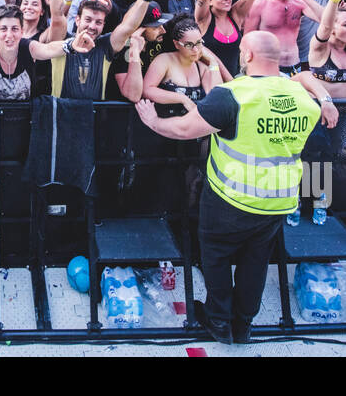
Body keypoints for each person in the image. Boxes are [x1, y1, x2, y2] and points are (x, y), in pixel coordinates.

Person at [133, 30, 326, 344]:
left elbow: (185, 129)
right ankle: (243, 324)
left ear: (247, 55)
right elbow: (306, 81)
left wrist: (153, 122)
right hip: (278, 200)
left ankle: (219, 322)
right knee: (255, 261)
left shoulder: (233, 94)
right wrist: (328, 100)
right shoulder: (304, 99)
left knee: (217, 258)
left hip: (231, 199)